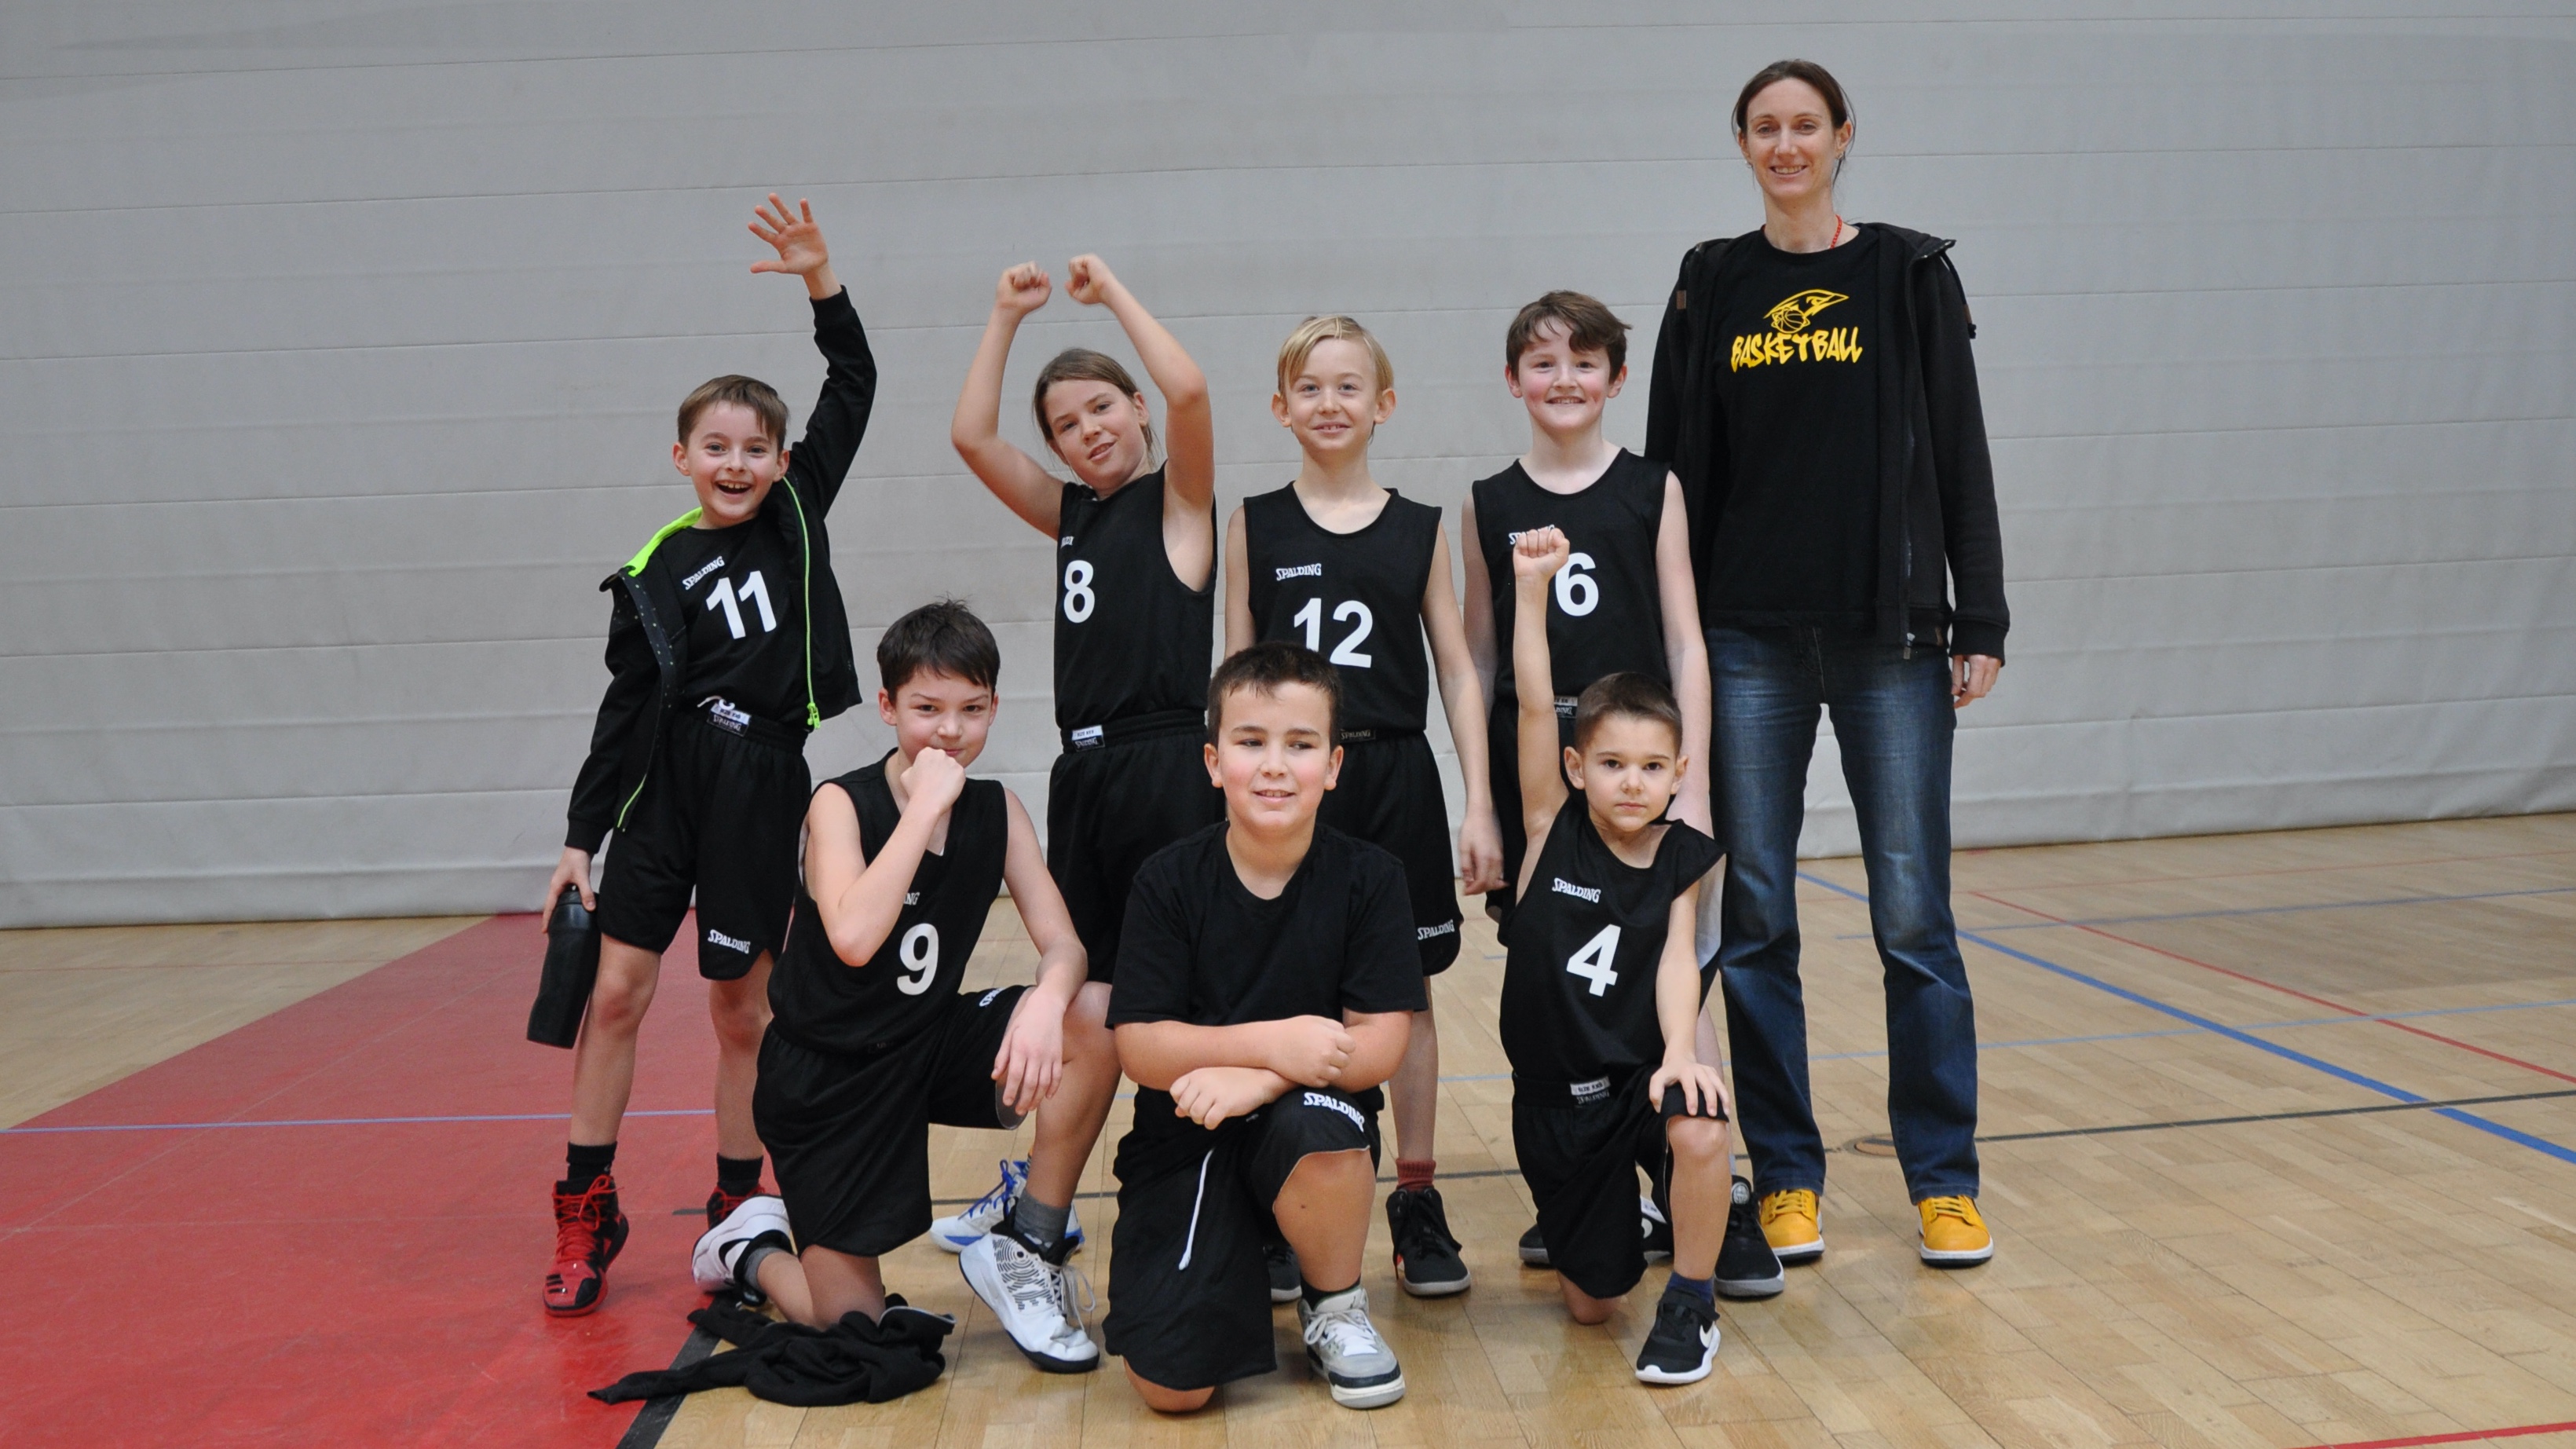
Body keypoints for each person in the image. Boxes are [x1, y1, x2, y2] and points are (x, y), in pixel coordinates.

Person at [1645, 58, 2010, 1269]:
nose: (1787, 144)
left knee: (1914, 917)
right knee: (1754, 917)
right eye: (1766, 127)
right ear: (1743, 143)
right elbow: (1669, 469)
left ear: (1843, 135)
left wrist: (1979, 615)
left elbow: (1958, 444)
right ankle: (1788, 1174)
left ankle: (1943, 1180)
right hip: (1744, 638)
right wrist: (1666, 638)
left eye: (1807, 125)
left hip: (1888, 637)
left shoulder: (1907, 272)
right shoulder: (1711, 280)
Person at [540, 196, 873, 1319]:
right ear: (681, 456)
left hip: (760, 782)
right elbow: (623, 711)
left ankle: (739, 1208)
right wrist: (580, 838)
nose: (736, 464)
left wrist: (821, 282)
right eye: (715, 447)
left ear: (780, 460)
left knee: (742, 1011)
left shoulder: (796, 514)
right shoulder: (655, 569)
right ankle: (585, 1203)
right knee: (615, 995)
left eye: (755, 449)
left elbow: (856, 382)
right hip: (664, 789)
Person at [690, 601, 1118, 1374]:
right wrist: (922, 809)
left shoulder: (998, 810)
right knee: (849, 1326)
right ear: (888, 707)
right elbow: (854, 937)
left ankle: (1030, 1237)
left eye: (971, 709)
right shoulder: (839, 804)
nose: (949, 731)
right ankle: (751, 1245)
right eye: (927, 709)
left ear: (994, 708)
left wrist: (1046, 1002)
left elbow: (1066, 945)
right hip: (827, 1076)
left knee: (1094, 1012)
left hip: (926, 1043)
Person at [1221, 315, 1505, 1299]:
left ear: (1382, 405)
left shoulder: (1418, 525)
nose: (1329, 403)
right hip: (1289, 782)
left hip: (1392, 776)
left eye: (1348, 387)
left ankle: (1415, 1198)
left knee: (1407, 995)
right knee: (1280, 986)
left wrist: (1478, 803)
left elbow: (1458, 671)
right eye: (1309, 387)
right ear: (1280, 407)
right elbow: (1234, 671)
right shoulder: (1254, 522)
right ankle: (1279, 1193)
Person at [942, 254, 1220, 1242]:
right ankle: (1044, 1196)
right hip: (1086, 776)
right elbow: (972, 437)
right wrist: (1002, 315)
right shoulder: (1070, 515)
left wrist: (1113, 297)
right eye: (1065, 425)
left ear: (1136, 409)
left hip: (1166, 765)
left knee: (1172, 991)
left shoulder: (1180, 501)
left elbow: (1191, 390)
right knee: (1087, 1002)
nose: (1088, 430)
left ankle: (1205, 1192)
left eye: (1103, 407)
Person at [1462, 290, 1718, 1268]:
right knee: (1563, 979)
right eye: (1543, 362)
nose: (1563, 379)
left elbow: (1685, 642)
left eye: (1583, 362)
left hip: (1640, 773)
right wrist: (1481, 804)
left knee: (1675, 965)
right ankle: (1582, 1178)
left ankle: (1705, 1183)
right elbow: (1481, 660)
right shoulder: (1488, 502)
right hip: (1542, 771)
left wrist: (1693, 784)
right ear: (1512, 379)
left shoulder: (1652, 488)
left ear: (1616, 379)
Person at [1102, 643, 1423, 1413]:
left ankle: (1333, 1302)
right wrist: (1274, 1044)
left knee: (1321, 1130)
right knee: (1172, 1390)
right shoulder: (1166, 880)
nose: (1275, 766)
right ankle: (1249, 1250)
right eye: (1251, 742)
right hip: (1189, 1134)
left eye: (1300, 745)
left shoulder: (1372, 878)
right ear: (1214, 762)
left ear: (1334, 765)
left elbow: (1381, 1043)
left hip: (1307, 1125)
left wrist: (1266, 1080)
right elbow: (1140, 1046)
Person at [1501, 527, 1782, 1385]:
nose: (1632, 781)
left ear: (1678, 772)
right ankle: (1643, 1218)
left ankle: (1692, 1302)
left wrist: (1680, 1052)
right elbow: (1532, 701)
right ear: (1575, 766)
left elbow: (1674, 961)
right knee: (1593, 1301)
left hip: (1638, 1080)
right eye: (1613, 763)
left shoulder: (1681, 856)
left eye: (1653, 766)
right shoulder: (1548, 829)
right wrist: (1531, 592)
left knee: (1698, 1115)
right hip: (1555, 1102)